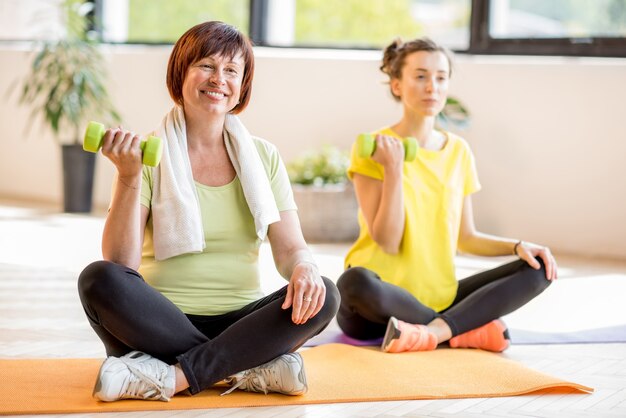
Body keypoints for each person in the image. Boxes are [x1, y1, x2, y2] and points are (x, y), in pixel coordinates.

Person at [78, 21, 339, 402]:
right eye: (206, 65)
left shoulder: (264, 156)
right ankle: (248, 365)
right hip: (159, 322)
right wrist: (129, 174)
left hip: (241, 320)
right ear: (180, 74)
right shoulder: (148, 153)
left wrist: (305, 268)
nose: (219, 79)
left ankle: (169, 376)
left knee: (325, 293)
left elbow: (290, 249)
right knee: (98, 278)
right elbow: (122, 262)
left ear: (242, 86)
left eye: (231, 70)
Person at [336, 37, 557, 354]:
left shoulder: (458, 151)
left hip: (439, 296)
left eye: (441, 78)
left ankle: (434, 332)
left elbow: (466, 238)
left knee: (539, 267)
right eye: (421, 76)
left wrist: (519, 246)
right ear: (397, 85)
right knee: (354, 282)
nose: (432, 87)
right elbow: (387, 239)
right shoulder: (373, 147)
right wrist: (394, 170)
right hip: (375, 305)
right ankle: (460, 330)